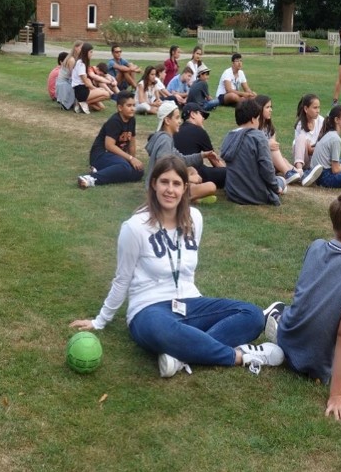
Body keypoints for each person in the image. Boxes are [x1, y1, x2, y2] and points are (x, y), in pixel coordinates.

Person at [69, 157, 285, 377]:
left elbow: (187, 272)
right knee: (161, 330)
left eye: (176, 183)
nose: (170, 190)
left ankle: (180, 356)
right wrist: (100, 320)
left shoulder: (195, 219)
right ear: (154, 184)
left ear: (185, 188)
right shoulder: (134, 227)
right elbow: (122, 279)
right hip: (149, 309)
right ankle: (240, 356)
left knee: (253, 315)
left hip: (190, 302)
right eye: (164, 182)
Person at [274, 191, 341, 421]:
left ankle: (277, 317)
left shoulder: (316, 246)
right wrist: (337, 396)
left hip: (286, 340)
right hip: (317, 362)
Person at [144, 101, 221, 201]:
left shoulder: (166, 138)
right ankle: (186, 199)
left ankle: (192, 196)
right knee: (211, 186)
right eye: (177, 118)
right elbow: (163, 170)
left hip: (163, 185)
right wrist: (188, 179)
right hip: (160, 189)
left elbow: (181, 159)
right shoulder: (165, 140)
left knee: (191, 170)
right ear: (167, 121)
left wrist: (203, 155)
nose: (180, 121)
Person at [221, 99, 286, 206]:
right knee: (281, 181)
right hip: (256, 194)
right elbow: (267, 168)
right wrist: (275, 188)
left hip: (233, 193)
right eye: (258, 118)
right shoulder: (258, 137)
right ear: (252, 119)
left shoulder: (229, 137)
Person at [78, 91, 144, 188]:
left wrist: (133, 160)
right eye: (129, 105)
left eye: (134, 105)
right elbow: (109, 146)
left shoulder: (132, 120)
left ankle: (101, 171)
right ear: (120, 108)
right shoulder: (114, 121)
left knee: (138, 171)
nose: (132, 108)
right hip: (101, 155)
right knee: (124, 167)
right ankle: (90, 178)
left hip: (116, 157)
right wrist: (130, 159)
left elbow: (132, 142)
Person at [174, 102, 227, 189]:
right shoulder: (199, 131)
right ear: (193, 114)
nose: (203, 118)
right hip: (195, 173)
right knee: (229, 173)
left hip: (177, 171)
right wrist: (226, 171)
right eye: (201, 114)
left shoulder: (176, 130)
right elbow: (215, 161)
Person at [255, 95, 302, 184]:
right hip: (259, 163)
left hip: (270, 162)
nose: (270, 110)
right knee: (272, 145)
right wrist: (267, 145)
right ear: (259, 109)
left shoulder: (269, 128)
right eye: (267, 107)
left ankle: (298, 174)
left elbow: (275, 150)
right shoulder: (255, 127)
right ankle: (289, 173)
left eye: (271, 107)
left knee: (283, 159)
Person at [72, 42, 110, 113]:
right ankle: (81, 103)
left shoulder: (83, 63)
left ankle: (83, 103)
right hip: (81, 91)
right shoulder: (81, 64)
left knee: (100, 108)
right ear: (86, 52)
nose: (92, 54)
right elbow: (86, 82)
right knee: (106, 94)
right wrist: (96, 89)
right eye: (91, 52)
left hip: (84, 89)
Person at [293, 93, 324, 174]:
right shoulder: (300, 125)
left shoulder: (321, 121)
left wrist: (312, 148)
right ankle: (299, 170)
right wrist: (310, 148)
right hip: (304, 158)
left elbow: (323, 144)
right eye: (315, 108)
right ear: (306, 109)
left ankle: (310, 171)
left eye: (319, 107)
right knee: (301, 138)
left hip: (317, 157)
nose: (318, 111)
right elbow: (305, 148)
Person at [54, 41, 81, 111]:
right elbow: (73, 75)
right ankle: (69, 103)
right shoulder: (71, 59)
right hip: (64, 83)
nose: (82, 50)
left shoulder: (74, 58)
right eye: (81, 48)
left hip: (64, 81)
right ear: (76, 48)